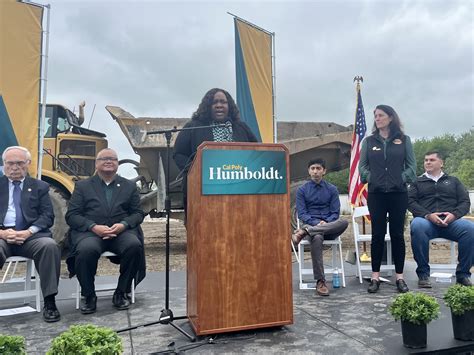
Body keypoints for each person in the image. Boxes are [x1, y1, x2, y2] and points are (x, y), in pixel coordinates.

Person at [65, 148, 146, 314]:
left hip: (120, 233)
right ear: (96, 163)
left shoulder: (129, 186)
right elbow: (72, 215)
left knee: (134, 245)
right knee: (86, 250)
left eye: (113, 159)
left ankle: (121, 292)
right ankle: (89, 296)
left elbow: (138, 213)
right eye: (104, 159)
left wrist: (123, 224)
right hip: (91, 233)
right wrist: (93, 227)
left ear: (117, 164)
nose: (109, 161)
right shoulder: (82, 186)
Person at [359, 105, 416, 293]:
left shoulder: (404, 140)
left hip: (398, 194)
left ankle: (399, 277)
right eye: (375, 116)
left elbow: (412, 168)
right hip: (376, 194)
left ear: (391, 118)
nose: (377, 118)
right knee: (377, 235)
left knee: (397, 235)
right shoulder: (369, 141)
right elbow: (362, 168)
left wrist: (400, 178)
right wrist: (371, 178)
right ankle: (375, 277)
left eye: (381, 115)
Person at [0, 146, 61, 322]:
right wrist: (3, 234)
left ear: (28, 164)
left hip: (31, 236)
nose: (14, 167)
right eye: (10, 163)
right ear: (4, 164)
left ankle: (50, 302)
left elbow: (47, 216)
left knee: (49, 246)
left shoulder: (40, 186)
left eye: (19, 163)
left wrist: (28, 232)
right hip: (3, 235)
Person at [173, 88, 258, 212]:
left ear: (229, 106)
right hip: (203, 191)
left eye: (223, 102)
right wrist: (195, 170)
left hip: (238, 189)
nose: (219, 105)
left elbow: (256, 152)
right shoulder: (193, 126)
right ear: (207, 106)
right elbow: (178, 154)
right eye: (214, 102)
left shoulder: (241, 128)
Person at [408, 150, 473, 287]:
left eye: (432, 160)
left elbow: (465, 202)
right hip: (427, 222)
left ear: (441, 163)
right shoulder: (417, 182)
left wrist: (454, 215)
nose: (428, 162)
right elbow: (410, 202)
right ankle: (423, 274)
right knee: (417, 225)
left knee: (470, 229)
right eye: (426, 160)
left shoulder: (453, 181)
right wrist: (428, 215)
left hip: (451, 223)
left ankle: (463, 274)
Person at [292, 158, 349, 296]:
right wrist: (315, 223)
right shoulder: (302, 190)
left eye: (318, 168)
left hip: (329, 227)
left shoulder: (332, 189)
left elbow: (335, 213)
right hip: (312, 225)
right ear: (309, 171)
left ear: (324, 171)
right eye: (313, 168)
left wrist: (326, 222)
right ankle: (320, 281)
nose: (315, 171)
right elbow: (302, 214)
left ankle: (304, 232)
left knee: (344, 222)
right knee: (317, 237)